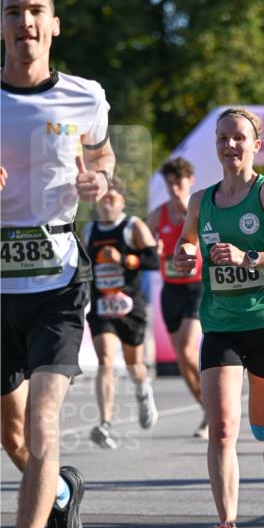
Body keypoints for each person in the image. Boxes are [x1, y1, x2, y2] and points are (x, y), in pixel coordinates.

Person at [1, 0, 115, 528]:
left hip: (57, 283)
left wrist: (100, 183)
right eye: (14, 11)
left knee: (44, 420)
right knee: (17, 440)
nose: (26, 22)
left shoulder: (85, 98)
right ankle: (64, 493)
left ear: (54, 24)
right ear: (1, 26)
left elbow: (100, 160)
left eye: (36, 10)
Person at [173, 107, 264, 528]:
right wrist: (186, 256)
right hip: (221, 324)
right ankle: (227, 526)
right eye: (222, 138)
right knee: (222, 428)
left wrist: (251, 258)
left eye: (238, 138)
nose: (229, 145)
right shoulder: (201, 200)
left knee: (262, 430)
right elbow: (187, 243)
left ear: (256, 145)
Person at [83, 179, 159, 447]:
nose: (107, 202)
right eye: (103, 197)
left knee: (133, 364)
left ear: (123, 201)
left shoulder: (133, 226)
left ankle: (142, 388)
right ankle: (105, 423)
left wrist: (124, 259)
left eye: (112, 197)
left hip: (130, 305)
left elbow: (154, 260)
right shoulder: (89, 230)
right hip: (102, 306)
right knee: (105, 359)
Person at [147, 156, 207, 437]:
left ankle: (214, 404)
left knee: (185, 348)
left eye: (179, 182)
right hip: (170, 290)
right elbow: (140, 244)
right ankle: (208, 408)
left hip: (196, 288)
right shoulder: (158, 215)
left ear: (190, 182)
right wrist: (151, 249)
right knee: (183, 360)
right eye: (169, 183)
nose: (174, 188)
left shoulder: (197, 212)